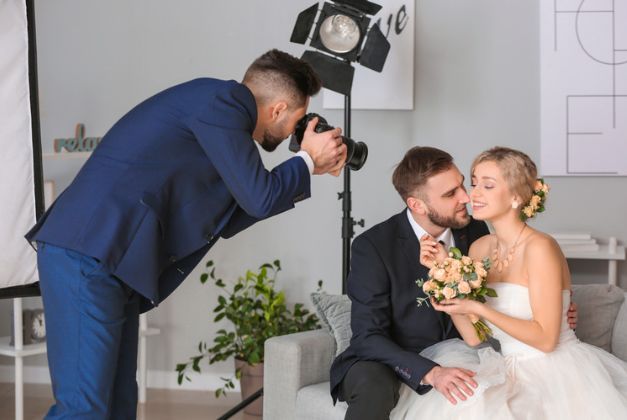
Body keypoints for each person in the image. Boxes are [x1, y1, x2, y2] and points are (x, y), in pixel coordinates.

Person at [26, 49, 347, 419]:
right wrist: (305, 160)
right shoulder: (223, 102)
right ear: (277, 109)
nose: (295, 132)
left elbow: (234, 216)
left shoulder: (223, 127)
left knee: (117, 404)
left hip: (114, 262)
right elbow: (259, 199)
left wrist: (309, 169)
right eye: (296, 120)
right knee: (84, 409)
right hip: (90, 252)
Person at [329, 146, 577, 420]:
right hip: (392, 357)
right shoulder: (373, 246)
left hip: (465, 352)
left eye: (462, 184)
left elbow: (493, 307)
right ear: (417, 205)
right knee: (374, 386)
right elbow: (368, 336)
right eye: (451, 193)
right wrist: (430, 371)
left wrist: (553, 308)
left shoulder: (475, 231)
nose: (467, 197)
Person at [391, 147, 627, 419]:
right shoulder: (480, 248)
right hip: (505, 366)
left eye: (488, 186)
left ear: (516, 196)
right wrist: (446, 276)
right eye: (475, 182)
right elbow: (473, 337)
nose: (472, 194)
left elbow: (546, 339)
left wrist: (480, 309)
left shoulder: (540, 248)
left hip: (552, 369)